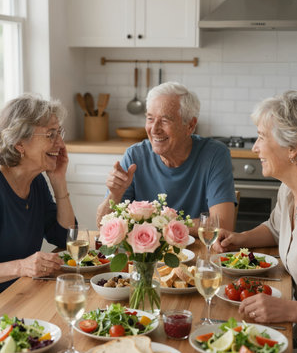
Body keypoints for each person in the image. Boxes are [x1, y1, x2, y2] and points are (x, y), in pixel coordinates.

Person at [96, 82, 236, 235]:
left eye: (165, 120)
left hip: (197, 253)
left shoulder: (214, 154)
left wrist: (157, 224)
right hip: (146, 255)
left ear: (190, 125)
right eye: (150, 119)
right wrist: (114, 195)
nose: (154, 129)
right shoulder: (135, 156)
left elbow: (223, 224)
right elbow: (103, 226)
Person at [213, 90, 297, 324]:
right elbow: (275, 228)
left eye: (261, 137)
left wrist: (290, 310)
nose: (254, 148)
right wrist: (240, 239)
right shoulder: (288, 190)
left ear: (292, 148)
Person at [0, 93, 75, 291]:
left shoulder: (36, 182)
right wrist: (21, 266)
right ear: (19, 143)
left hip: (21, 294)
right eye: (51, 134)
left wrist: (59, 182)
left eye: (60, 133)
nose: (60, 144)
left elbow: (66, 239)